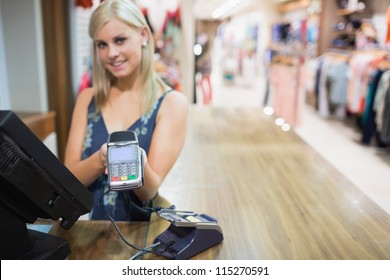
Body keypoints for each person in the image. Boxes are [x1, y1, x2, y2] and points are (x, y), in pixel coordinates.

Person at [64, 0, 188, 221]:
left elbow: (149, 191)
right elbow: (68, 179)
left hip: (139, 234)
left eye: (119, 40)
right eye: (102, 44)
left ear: (143, 35)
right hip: (87, 233)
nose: (111, 53)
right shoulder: (87, 99)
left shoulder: (171, 103)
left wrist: (137, 162)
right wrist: (101, 160)